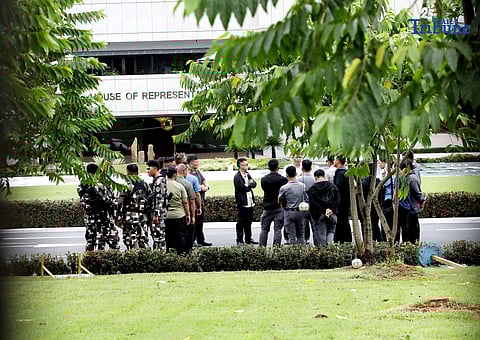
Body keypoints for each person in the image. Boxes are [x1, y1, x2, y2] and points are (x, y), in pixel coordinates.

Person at [77, 163, 120, 251]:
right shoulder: (99, 185)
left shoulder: (82, 184)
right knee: (106, 239)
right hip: (102, 216)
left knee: (90, 240)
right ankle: (101, 258)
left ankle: (90, 258)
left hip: (89, 216)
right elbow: (109, 200)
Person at [116, 164, 151, 249]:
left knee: (130, 239)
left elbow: (119, 201)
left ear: (128, 172)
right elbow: (150, 199)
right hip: (142, 216)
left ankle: (133, 257)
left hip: (129, 217)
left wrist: (117, 215)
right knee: (142, 238)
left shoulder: (125, 185)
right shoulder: (145, 184)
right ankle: (144, 257)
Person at [258, 159, 288, 246]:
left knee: (264, 229)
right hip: (278, 207)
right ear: (278, 167)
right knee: (277, 229)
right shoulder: (283, 180)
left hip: (267, 207)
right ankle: (276, 247)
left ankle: (261, 247)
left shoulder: (264, 179)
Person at [307, 169, 340, 246]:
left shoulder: (312, 189)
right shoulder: (332, 186)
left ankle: (324, 252)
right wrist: (330, 209)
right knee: (331, 232)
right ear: (324, 176)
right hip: (332, 214)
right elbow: (338, 199)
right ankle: (330, 249)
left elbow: (313, 203)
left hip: (319, 215)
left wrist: (323, 210)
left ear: (315, 177)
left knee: (322, 235)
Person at [279, 166, 308, 245]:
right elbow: (306, 199)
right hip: (300, 212)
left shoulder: (284, 188)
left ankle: (293, 254)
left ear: (287, 175)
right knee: (301, 235)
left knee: (291, 236)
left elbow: (279, 200)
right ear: (296, 173)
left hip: (289, 212)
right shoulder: (303, 186)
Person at [187, 154, 212, 246]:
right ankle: (192, 241)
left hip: (201, 200)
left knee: (200, 223)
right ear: (189, 163)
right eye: (195, 162)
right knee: (193, 223)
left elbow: (204, 180)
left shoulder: (197, 171)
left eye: (198, 161)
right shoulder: (189, 174)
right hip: (194, 201)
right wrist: (201, 187)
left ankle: (201, 239)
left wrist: (205, 186)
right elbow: (194, 187)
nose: (197, 163)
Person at [165, 167, 191, 254]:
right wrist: (188, 215)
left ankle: (169, 252)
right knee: (179, 235)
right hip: (179, 215)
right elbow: (185, 202)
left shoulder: (162, 185)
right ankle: (181, 253)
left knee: (168, 235)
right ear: (175, 174)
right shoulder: (180, 186)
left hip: (166, 215)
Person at [233, 158, 258, 244]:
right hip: (242, 202)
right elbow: (243, 188)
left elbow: (254, 184)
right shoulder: (237, 177)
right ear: (239, 166)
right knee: (241, 222)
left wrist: (249, 185)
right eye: (243, 165)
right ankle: (239, 239)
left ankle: (248, 238)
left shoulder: (248, 174)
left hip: (250, 201)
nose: (245, 166)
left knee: (249, 221)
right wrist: (248, 185)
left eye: (246, 164)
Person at [147, 159, 168, 250]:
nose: (147, 171)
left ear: (155, 169)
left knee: (159, 236)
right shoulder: (156, 180)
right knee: (156, 236)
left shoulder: (160, 181)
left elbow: (160, 198)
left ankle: (161, 256)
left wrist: (156, 214)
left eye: (149, 169)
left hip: (159, 214)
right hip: (156, 213)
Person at [360, 163, 384, 242]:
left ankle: (370, 242)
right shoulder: (378, 182)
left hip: (367, 207)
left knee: (367, 227)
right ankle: (379, 242)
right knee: (375, 225)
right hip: (376, 208)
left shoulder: (364, 183)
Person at [404, 160, 425, 243]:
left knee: (413, 228)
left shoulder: (412, 179)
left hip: (412, 207)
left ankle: (414, 244)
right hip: (410, 206)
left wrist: (422, 200)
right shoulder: (408, 177)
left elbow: (417, 193)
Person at [176, 163, 196, 248]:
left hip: (173, 214)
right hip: (184, 212)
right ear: (184, 171)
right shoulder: (187, 183)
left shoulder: (170, 182)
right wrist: (192, 216)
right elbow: (191, 201)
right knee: (187, 234)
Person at [333, 157, 351, 243]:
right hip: (346, 201)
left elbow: (338, 187)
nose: (334, 161)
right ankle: (345, 239)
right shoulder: (346, 172)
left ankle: (341, 239)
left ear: (338, 161)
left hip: (341, 202)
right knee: (344, 220)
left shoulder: (340, 173)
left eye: (335, 160)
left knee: (342, 221)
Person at [297, 159, 315, 243]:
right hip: (313, 205)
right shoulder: (314, 179)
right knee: (315, 226)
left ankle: (304, 241)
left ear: (302, 167)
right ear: (311, 168)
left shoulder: (298, 179)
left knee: (302, 226)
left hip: (302, 205)